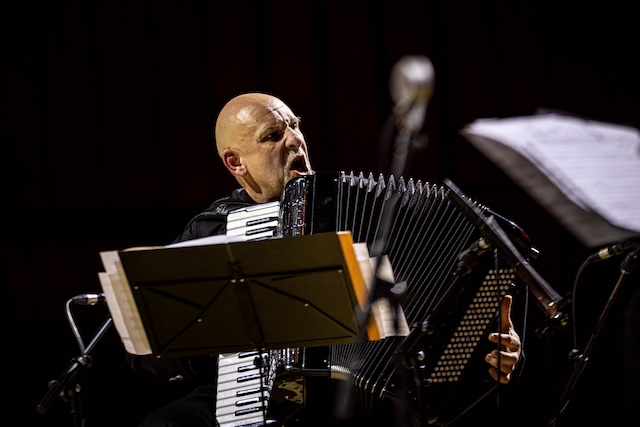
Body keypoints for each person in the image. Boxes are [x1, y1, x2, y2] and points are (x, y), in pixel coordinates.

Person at [128, 92, 523, 427]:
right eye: (273, 136)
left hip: (367, 404)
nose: (294, 140)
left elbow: (448, 323)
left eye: (295, 126)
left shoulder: (366, 210)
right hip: (250, 396)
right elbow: (151, 358)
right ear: (236, 162)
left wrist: (497, 352)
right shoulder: (212, 231)